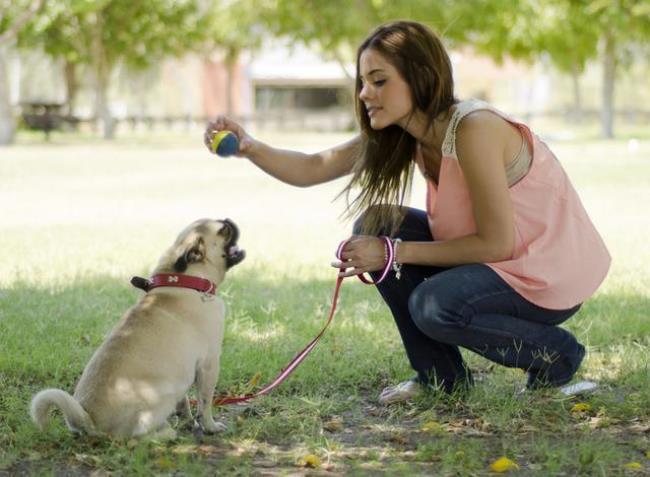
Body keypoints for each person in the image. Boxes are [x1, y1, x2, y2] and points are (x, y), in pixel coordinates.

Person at [204, 20, 611, 404]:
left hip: (541, 273)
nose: (365, 94)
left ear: (420, 77)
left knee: (434, 304)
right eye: (363, 82)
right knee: (379, 222)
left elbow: (496, 242)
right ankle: (441, 379)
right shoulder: (405, 133)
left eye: (379, 81)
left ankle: (557, 355)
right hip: (498, 262)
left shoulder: (475, 128)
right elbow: (314, 166)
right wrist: (249, 146)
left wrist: (391, 253)